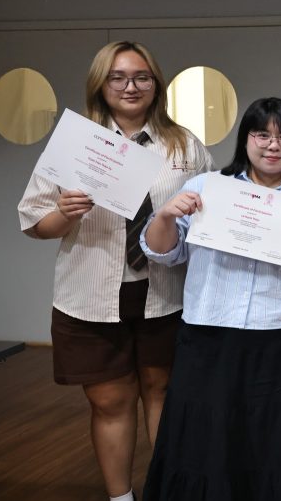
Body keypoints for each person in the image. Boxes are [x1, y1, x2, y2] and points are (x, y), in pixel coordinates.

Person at [17, 40, 212, 501]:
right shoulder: (75, 144)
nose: (130, 86)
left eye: (141, 77)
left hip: (166, 292)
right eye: (118, 77)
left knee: (163, 391)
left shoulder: (184, 144)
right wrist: (64, 213)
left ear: (155, 84)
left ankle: (167, 491)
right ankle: (121, 497)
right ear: (100, 85)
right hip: (90, 295)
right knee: (110, 400)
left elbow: (209, 215)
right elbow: (34, 223)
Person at [140, 97, 281, 501]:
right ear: (246, 140)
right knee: (209, 434)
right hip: (211, 331)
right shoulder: (206, 188)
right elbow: (163, 253)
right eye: (262, 135)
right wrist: (165, 215)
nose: (273, 145)